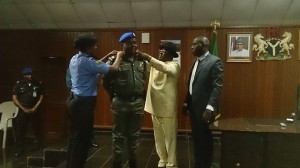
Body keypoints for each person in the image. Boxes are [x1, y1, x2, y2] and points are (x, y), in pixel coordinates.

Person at [66, 33, 122, 168]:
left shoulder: (76, 58)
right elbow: (113, 70)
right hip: (83, 103)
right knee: (83, 140)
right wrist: (119, 56)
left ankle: (71, 164)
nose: (96, 47)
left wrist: (107, 56)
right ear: (89, 47)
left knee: (74, 137)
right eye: (94, 45)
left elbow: (94, 65)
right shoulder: (86, 61)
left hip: (74, 100)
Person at [102, 32, 147, 168]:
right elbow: (105, 82)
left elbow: (143, 78)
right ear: (123, 45)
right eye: (130, 43)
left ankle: (133, 164)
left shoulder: (141, 60)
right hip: (120, 102)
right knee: (118, 136)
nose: (133, 45)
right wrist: (115, 94)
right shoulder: (115, 60)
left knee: (134, 136)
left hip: (137, 103)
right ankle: (117, 164)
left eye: (134, 42)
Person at [182, 36, 224, 168]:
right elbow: (192, 85)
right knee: (198, 138)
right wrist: (186, 102)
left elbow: (217, 87)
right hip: (194, 108)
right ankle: (199, 162)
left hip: (205, 109)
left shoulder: (215, 61)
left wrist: (210, 108)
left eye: (195, 44)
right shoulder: (195, 62)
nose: (192, 47)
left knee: (205, 139)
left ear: (204, 45)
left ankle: (206, 164)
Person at [138, 41, 180, 168]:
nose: (160, 52)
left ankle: (171, 164)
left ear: (171, 54)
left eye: (164, 50)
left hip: (167, 109)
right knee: (159, 138)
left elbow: (166, 69)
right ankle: (162, 160)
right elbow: (144, 65)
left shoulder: (174, 65)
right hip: (154, 108)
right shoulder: (154, 65)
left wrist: (149, 57)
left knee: (170, 139)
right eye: (160, 50)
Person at [12, 67, 44, 157]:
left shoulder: (37, 84)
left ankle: (40, 146)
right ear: (24, 75)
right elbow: (14, 98)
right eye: (28, 74)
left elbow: (41, 97)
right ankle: (19, 149)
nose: (30, 76)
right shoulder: (19, 84)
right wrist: (23, 109)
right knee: (21, 130)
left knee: (37, 128)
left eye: (31, 74)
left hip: (34, 109)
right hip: (23, 110)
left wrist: (35, 107)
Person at [66, 68, 98, 148]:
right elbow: (69, 83)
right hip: (76, 96)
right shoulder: (71, 69)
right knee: (74, 121)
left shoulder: (87, 67)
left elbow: (95, 80)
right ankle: (73, 141)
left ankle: (90, 139)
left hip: (88, 97)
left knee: (89, 119)